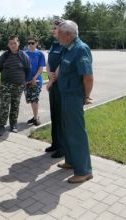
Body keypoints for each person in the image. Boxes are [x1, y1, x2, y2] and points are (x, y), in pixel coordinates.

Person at [56, 21, 94, 183]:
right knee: (67, 130)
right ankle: (71, 161)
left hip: (74, 96)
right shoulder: (67, 47)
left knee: (77, 132)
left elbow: (88, 77)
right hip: (65, 95)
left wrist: (86, 97)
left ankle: (84, 171)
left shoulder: (80, 49)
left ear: (68, 34)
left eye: (59, 33)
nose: (57, 36)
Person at [0, 35, 30, 136]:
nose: (13, 45)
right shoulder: (4, 56)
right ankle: (1, 126)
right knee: (4, 106)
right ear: (8, 44)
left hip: (19, 85)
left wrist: (22, 82)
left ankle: (13, 125)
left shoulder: (24, 56)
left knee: (15, 105)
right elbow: (1, 68)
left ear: (18, 43)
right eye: (11, 43)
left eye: (14, 43)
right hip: (5, 85)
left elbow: (27, 70)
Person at [45, 19, 65, 158]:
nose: (54, 29)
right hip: (53, 83)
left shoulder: (65, 44)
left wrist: (51, 80)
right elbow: (48, 62)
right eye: (53, 27)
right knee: (54, 114)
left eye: (56, 27)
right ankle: (55, 143)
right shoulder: (54, 44)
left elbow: (63, 63)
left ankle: (62, 148)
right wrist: (48, 73)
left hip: (60, 85)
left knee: (61, 116)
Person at [24, 36, 45, 127]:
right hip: (26, 81)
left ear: (36, 43)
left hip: (36, 81)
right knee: (31, 99)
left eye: (32, 43)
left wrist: (34, 78)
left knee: (34, 99)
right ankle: (35, 116)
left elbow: (41, 68)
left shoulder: (40, 54)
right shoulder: (24, 54)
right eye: (29, 43)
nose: (30, 45)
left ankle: (36, 118)